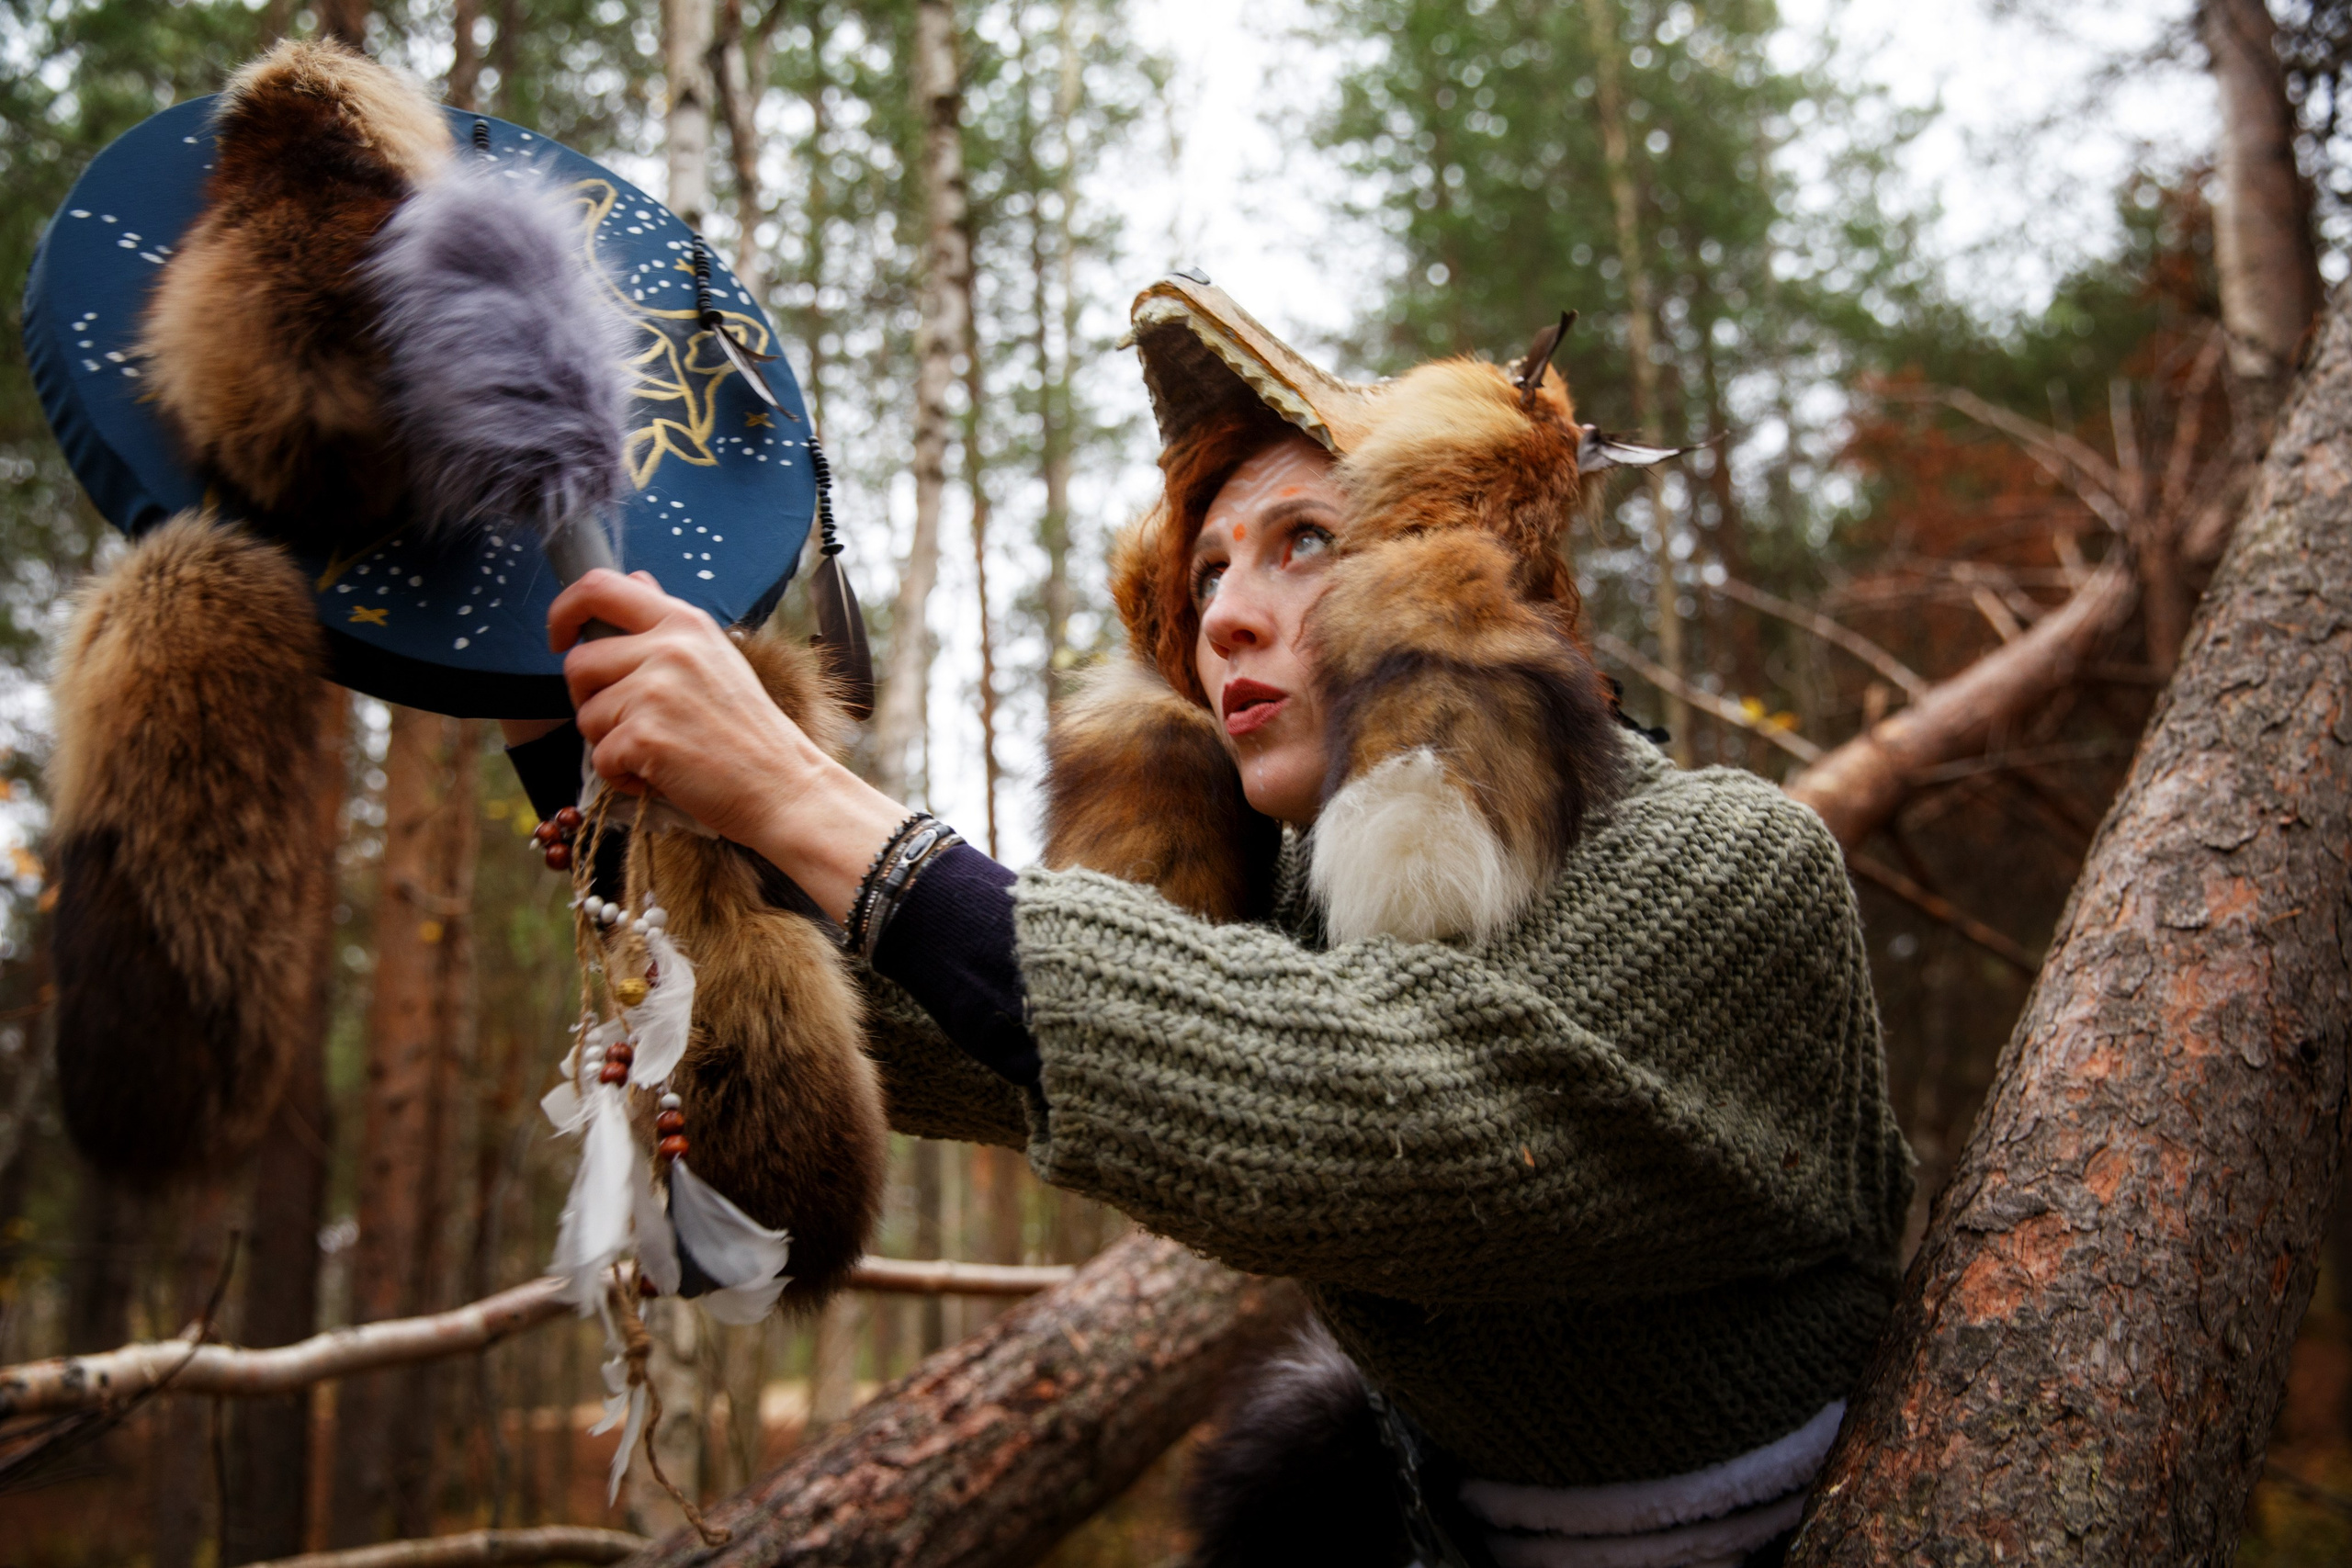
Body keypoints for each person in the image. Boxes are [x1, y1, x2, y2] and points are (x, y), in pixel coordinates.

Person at [512, 276, 1914, 1568]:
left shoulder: (1733, 861)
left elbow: (1372, 1103)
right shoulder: (1305, 896)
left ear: (1465, 589)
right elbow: (971, 1022)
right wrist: (585, 738)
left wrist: (798, 791)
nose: (1229, 615)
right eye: (1205, 578)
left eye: (1306, 542)